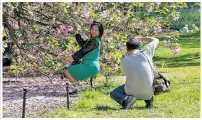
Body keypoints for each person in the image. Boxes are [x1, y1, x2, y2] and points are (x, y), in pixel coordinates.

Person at [110, 37, 159, 109]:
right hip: (149, 92)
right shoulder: (146, 52)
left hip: (132, 92)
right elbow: (155, 40)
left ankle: (127, 100)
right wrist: (139, 38)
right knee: (145, 79)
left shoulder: (124, 60)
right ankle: (149, 102)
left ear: (127, 48)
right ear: (138, 46)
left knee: (114, 93)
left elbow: (126, 74)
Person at [62, 21, 104, 87]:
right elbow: (83, 44)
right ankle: (78, 88)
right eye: (92, 29)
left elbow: (83, 51)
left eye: (96, 30)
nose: (93, 31)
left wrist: (72, 58)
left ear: (100, 32)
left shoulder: (95, 41)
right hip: (90, 65)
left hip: (90, 66)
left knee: (66, 69)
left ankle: (77, 87)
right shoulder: (94, 40)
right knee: (71, 69)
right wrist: (77, 34)